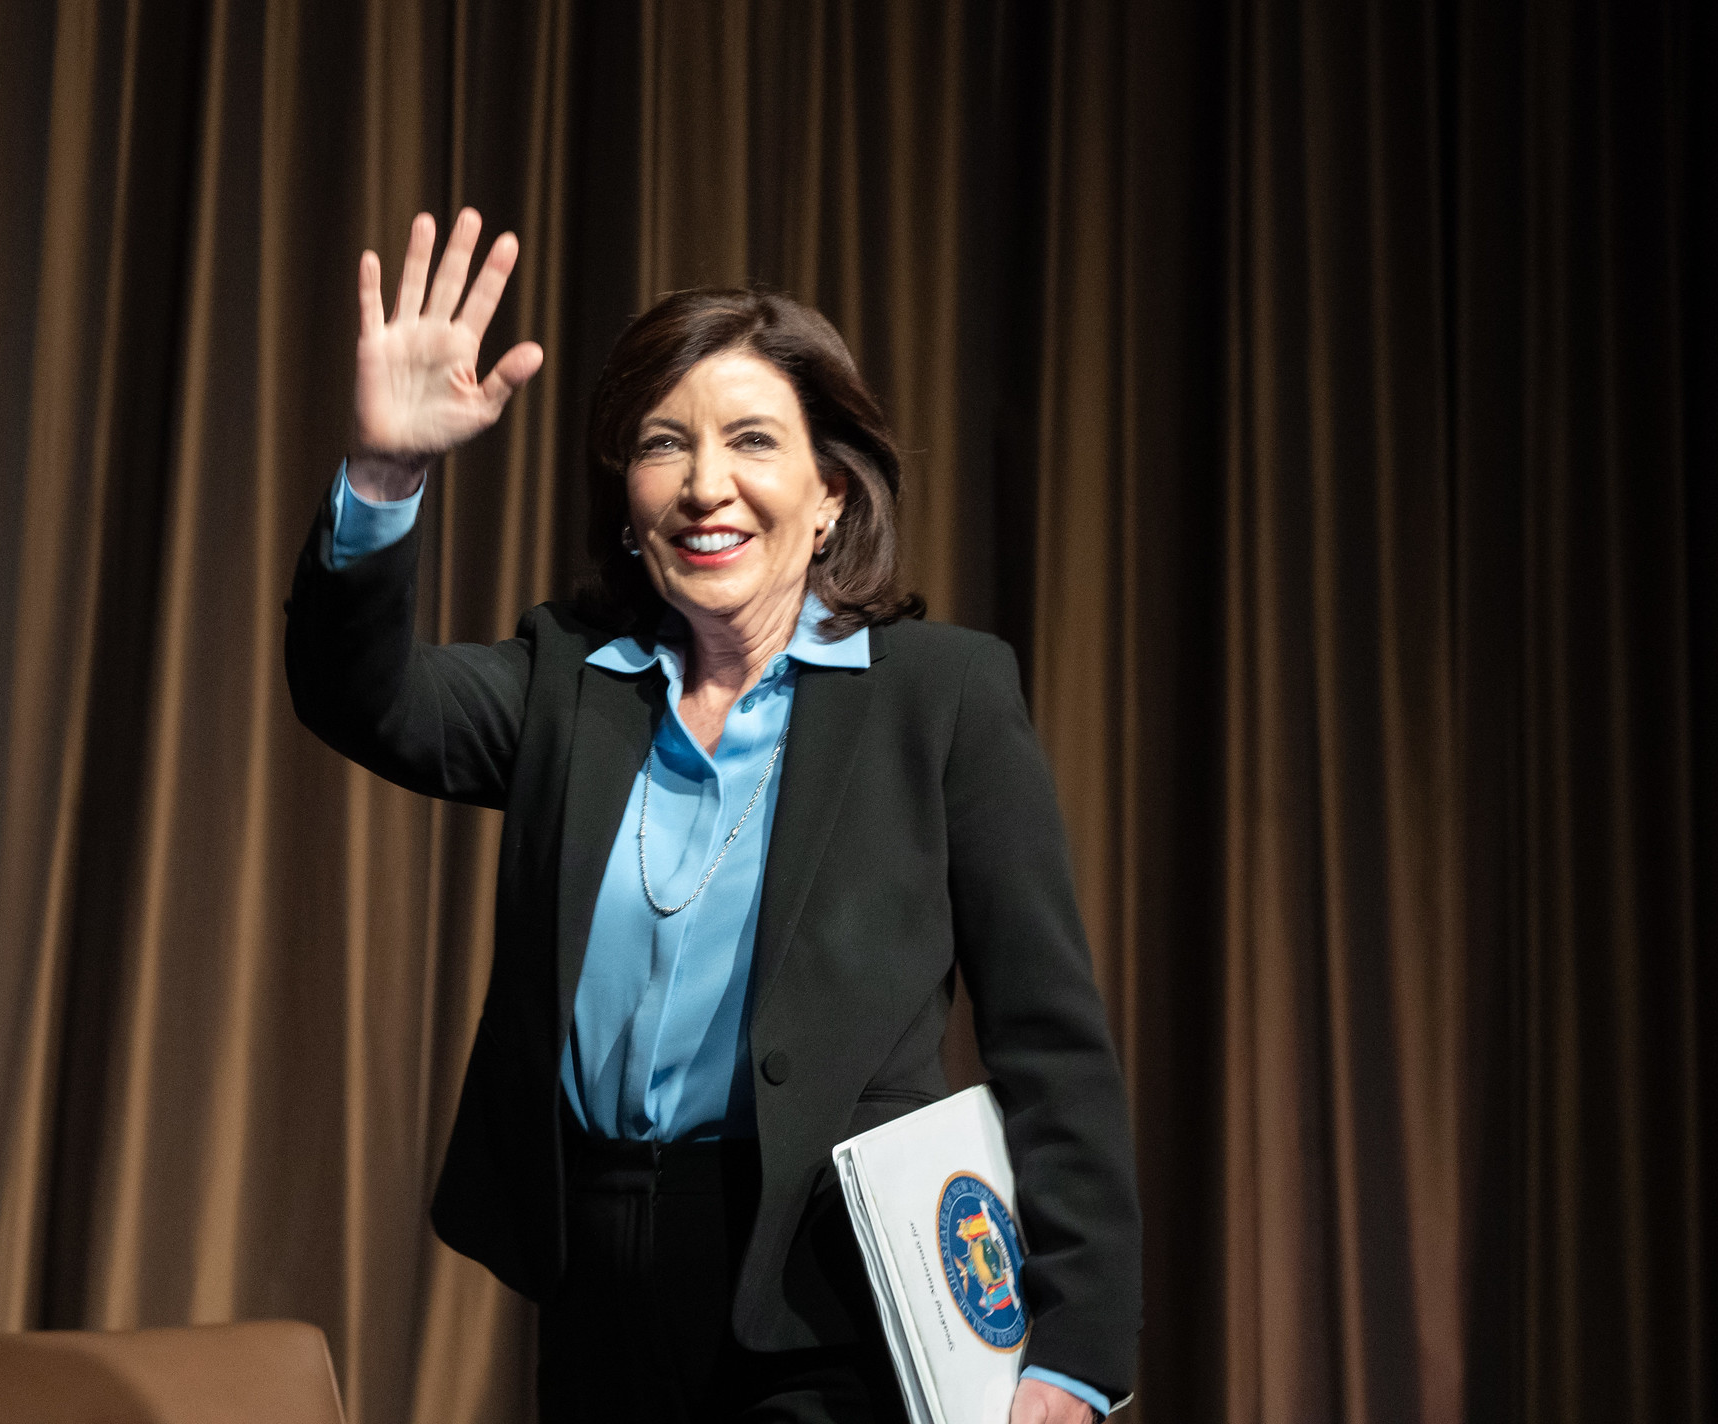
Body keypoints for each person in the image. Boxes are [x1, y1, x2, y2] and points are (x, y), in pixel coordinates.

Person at [285, 209, 1140, 1423]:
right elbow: (358, 696)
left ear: (830, 492)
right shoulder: (570, 682)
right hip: (596, 1280)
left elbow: (1049, 1037)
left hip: (824, 1291)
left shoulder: (940, 697)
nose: (705, 485)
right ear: (628, 506)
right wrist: (385, 476)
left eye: (751, 441)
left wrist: (1075, 1349)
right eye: (661, 445)